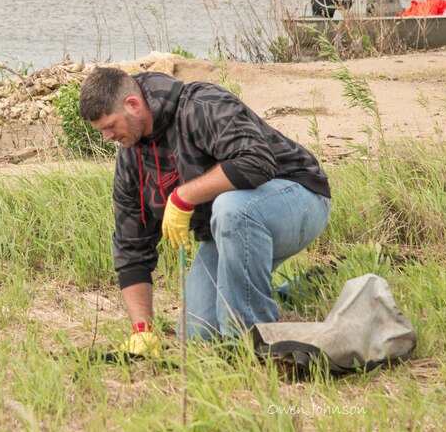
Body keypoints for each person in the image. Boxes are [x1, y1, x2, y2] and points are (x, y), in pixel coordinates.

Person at [78, 67, 331, 355]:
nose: (107, 137)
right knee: (197, 334)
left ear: (132, 105)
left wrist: (184, 195)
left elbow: (257, 162)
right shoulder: (130, 159)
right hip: (230, 228)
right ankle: (298, 290)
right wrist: (142, 330)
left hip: (299, 198)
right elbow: (130, 247)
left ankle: (249, 344)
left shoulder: (201, 104)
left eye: (110, 126)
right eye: (101, 132)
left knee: (230, 207)